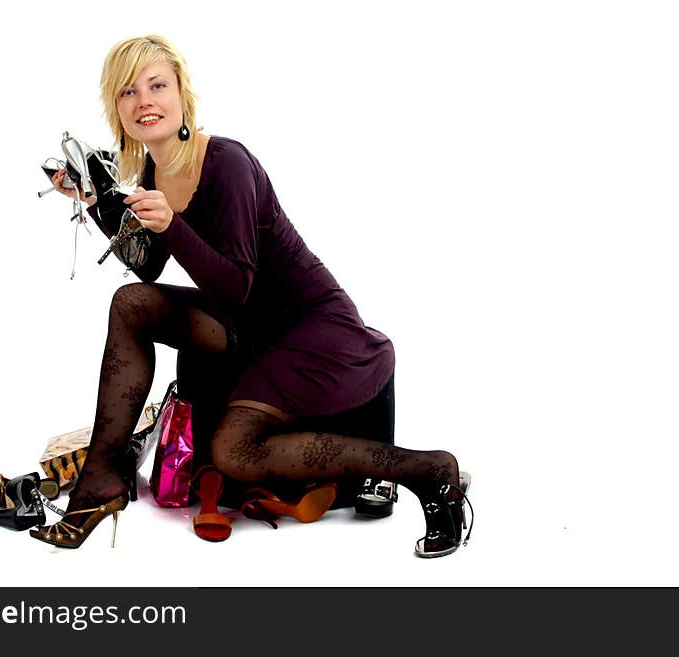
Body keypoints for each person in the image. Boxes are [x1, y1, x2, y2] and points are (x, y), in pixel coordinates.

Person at [32, 34, 471, 557]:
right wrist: (99, 202)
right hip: (248, 325)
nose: (144, 100)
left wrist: (172, 224)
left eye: (157, 85)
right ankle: (102, 476)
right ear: (117, 109)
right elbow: (148, 266)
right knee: (132, 303)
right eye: (128, 92)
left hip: (308, 326)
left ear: (181, 95)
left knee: (235, 452)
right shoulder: (153, 170)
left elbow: (237, 281)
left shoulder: (228, 163)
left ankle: (429, 471)